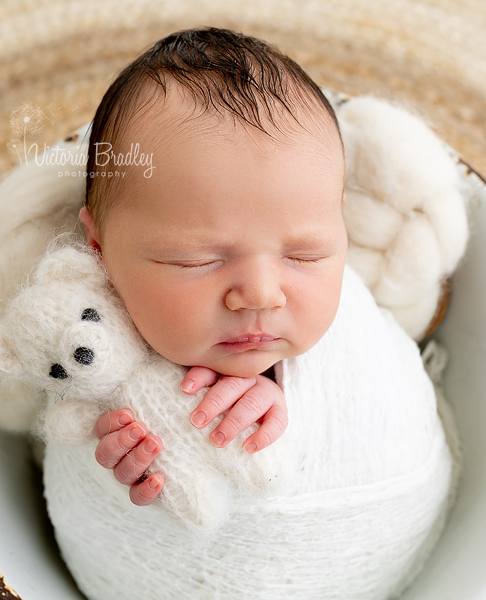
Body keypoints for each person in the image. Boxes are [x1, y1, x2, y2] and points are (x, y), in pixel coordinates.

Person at [76, 27, 348, 508]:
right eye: (196, 259)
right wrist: (115, 457)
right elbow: (55, 425)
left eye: (305, 255)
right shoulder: (77, 329)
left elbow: (361, 399)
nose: (263, 294)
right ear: (98, 246)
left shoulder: (345, 333)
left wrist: (280, 398)